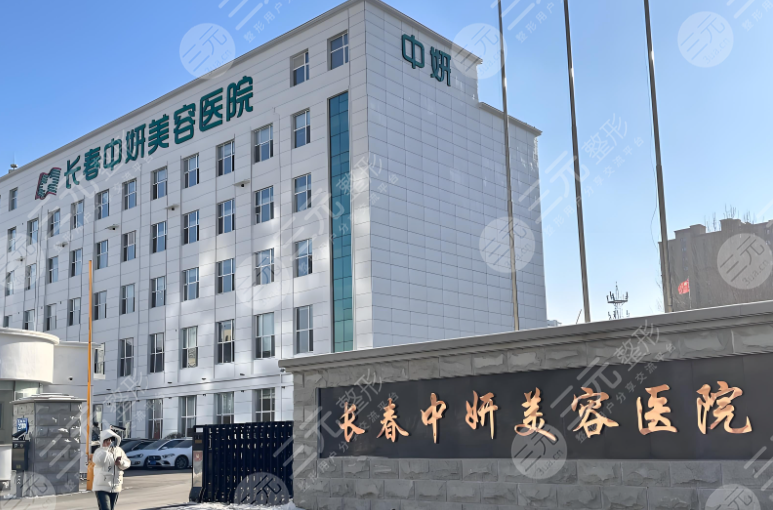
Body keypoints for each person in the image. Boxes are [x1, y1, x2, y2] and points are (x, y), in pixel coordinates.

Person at [92, 429, 130, 510]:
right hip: (102, 486)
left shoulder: (119, 450)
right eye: (106, 440)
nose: (109, 442)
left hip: (116, 486)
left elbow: (127, 463)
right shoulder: (99, 451)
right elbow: (99, 462)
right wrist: (105, 449)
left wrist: (121, 462)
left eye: (111, 439)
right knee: (106, 508)